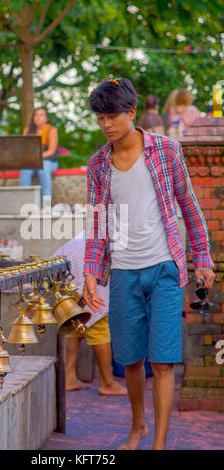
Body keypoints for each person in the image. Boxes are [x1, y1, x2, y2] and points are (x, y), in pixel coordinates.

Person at [82, 78, 215, 450]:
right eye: (99, 118)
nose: (106, 124)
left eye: (112, 117)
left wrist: (202, 258)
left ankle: (158, 443)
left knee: (164, 360)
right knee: (132, 360)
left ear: (131, 113)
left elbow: (189, 206)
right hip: (123, 271)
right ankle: (137, 426)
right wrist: (91, 273)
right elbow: (97, 225)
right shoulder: (97, 164)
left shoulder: (165, 150)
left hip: (164, 268)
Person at [54, 231, 127, 396]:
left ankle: (69, 377)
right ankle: (107, 382)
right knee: (99, 329)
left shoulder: (90, 231)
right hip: (87, 280)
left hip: (66, 278)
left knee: (74, 323)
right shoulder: (118, 232)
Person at [20, 107, 59, 212]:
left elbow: (51, 151)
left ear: (46, 118)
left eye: (41, 115)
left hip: (49, 161)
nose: (38, 118)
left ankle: (46, 206)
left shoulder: (51, 130)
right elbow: (24, 149)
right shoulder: (27, 130)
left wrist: (36, 157)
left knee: (44, 168)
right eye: (36, 115)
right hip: (32, 162)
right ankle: (26, 205)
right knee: (25, 170)